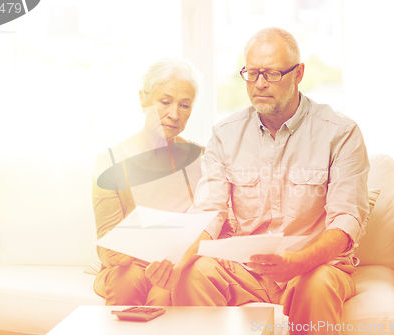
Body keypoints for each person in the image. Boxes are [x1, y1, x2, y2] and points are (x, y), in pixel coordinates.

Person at [168, 27, 370, 334]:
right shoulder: (225, 134)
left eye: (272, 74)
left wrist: (299, 262)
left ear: (298, 73)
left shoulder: (340, 132)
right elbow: (209, 211)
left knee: (316, 285)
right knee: (192, 273)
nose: (259, 84)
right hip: (247, 270)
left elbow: (346, 222)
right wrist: (178, 258)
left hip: (313, 267)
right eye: (252, 73)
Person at [91, 58, 205, 306]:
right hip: (129, 267)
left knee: (164, 292)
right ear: (143, 99)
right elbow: (105, 243)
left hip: (177, 264)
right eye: (165, 102)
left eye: (184, 105)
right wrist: (114, 254)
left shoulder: (201, 158)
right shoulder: (110, 161)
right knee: (128, 279)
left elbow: (213, 225)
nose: (174, 114)